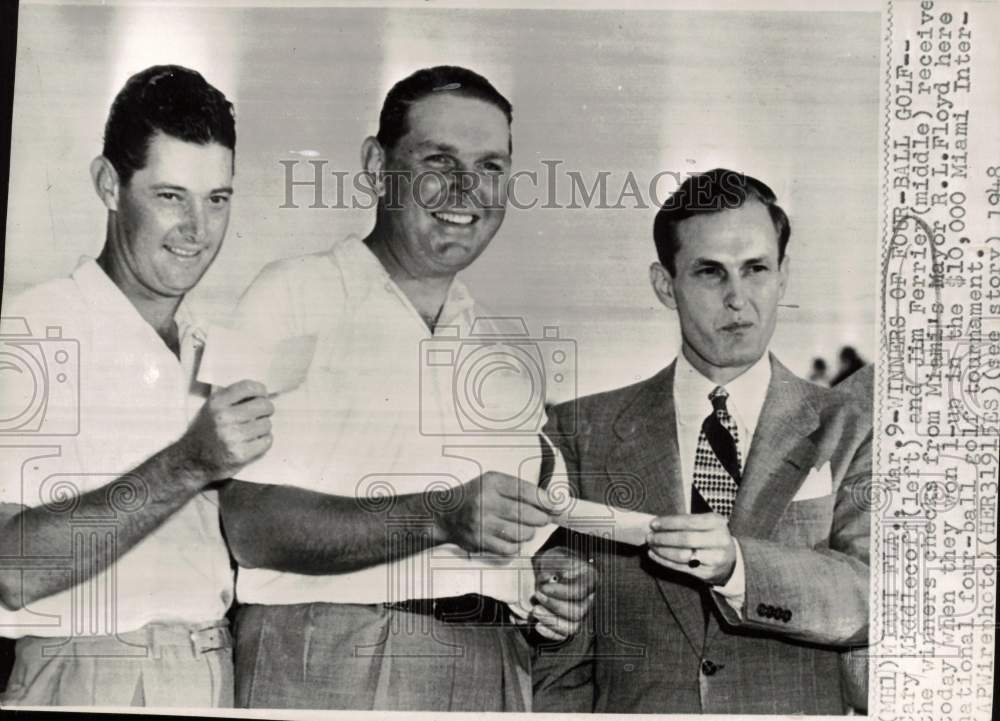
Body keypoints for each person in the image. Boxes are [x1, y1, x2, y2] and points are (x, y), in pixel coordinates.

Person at [219, 65, 594, 712]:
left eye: (491, 166)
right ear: (375, 162)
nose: (466, 188)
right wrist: (439, 513)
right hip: (328, 658)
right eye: (438, 159)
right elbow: (247, 524)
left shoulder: (502, 354)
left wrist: (551, 578)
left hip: (494, 665)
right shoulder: (290, 294)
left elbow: (530, 540)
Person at [534, 169, 871, 714]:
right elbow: (559, 657)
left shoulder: (853, 424)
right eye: (710, 273)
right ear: (665, 285)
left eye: (756, 269)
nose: (738, 299)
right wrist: (549, 602)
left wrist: (739, 566)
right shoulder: (580, 432)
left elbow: (873, 596)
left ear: (783, 275)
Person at [0, 65, 273, 707]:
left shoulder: (214, 345)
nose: (198, 230)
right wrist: (190, 462)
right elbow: (13, 568)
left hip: (211, 664)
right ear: (109, 185)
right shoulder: (36, 328)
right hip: (84, 669)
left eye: (217, 199)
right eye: (171, 195)